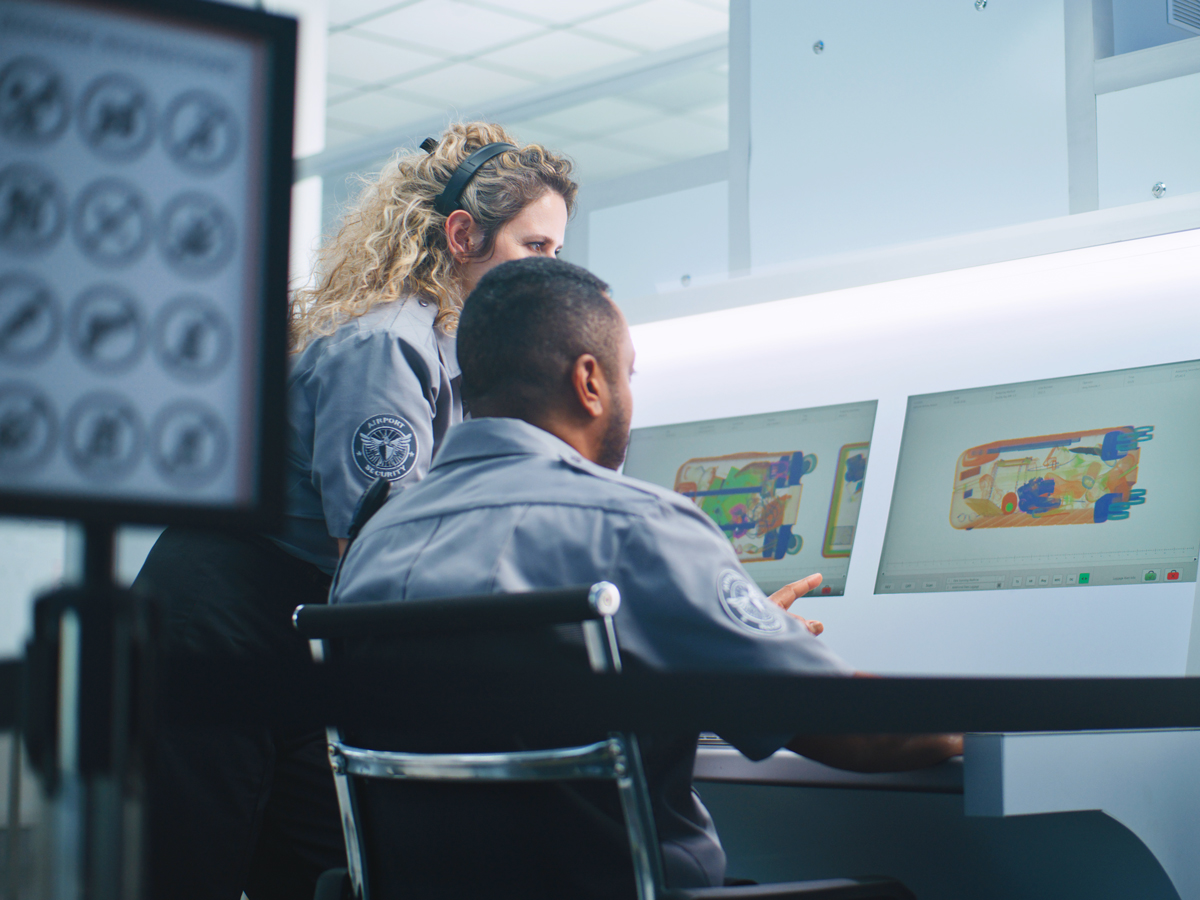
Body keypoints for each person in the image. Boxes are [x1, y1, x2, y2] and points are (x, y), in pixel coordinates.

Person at [332, 257, 962, 898]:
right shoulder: (636, 526)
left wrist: (736, 631)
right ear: (589, 381)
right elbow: (859, 732)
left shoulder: (376, 540)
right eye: (626, 374)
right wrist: (972, 721)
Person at [131, 123, 578, 900]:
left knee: (317, 865)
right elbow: (383, 555)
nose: (552, 271)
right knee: (186, 871)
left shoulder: (456, 355)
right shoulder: (387, 347)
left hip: (301, 626)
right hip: (218, 619)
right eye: (535, 247)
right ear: (464, 235)